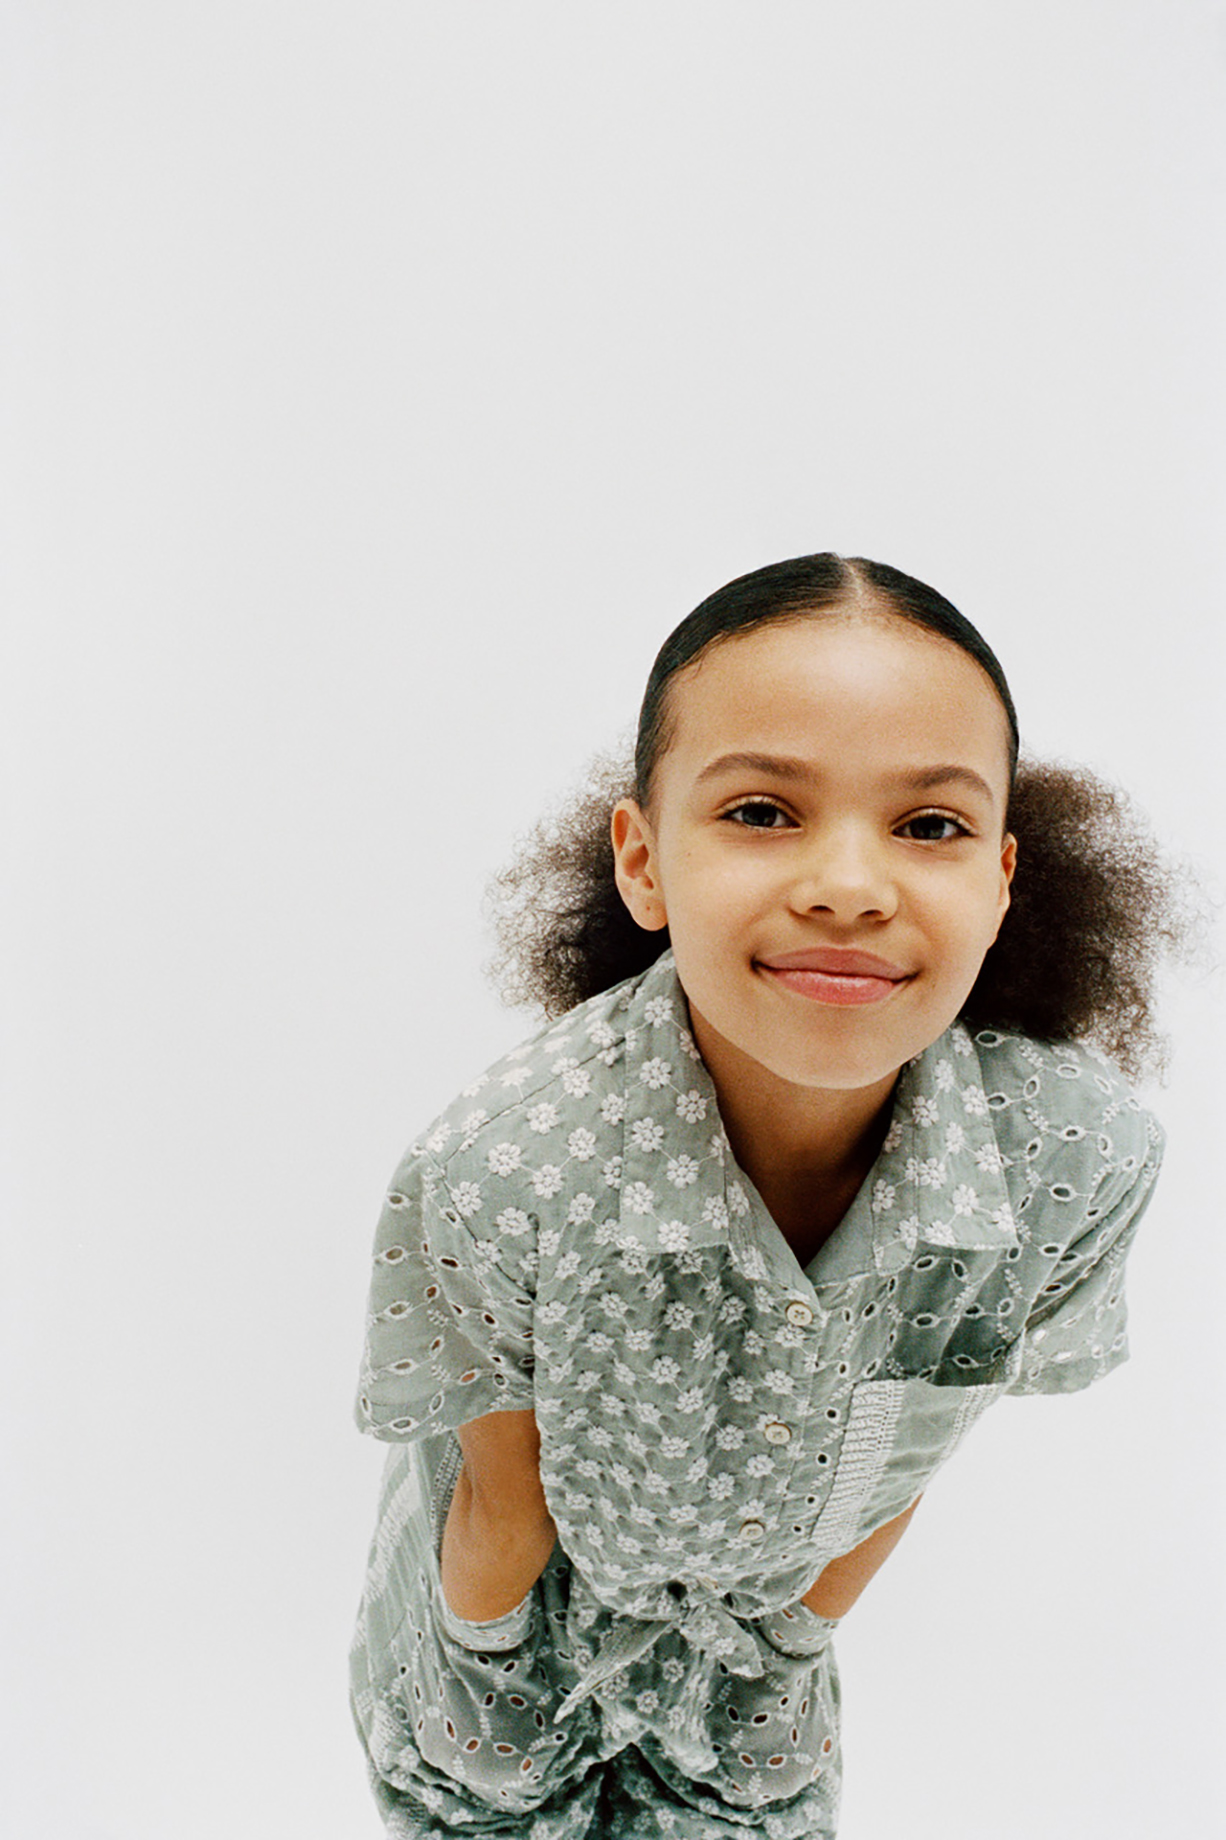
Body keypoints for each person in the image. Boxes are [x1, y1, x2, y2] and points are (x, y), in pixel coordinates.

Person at [349, 552, 1194, 1839]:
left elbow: (907, 1453)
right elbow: (497, 1505)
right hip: (503, 1626)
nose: (848, 885)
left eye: (929, 825)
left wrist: (785, 1652)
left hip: (765, 1639)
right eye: (760, 811)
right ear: (643, 860)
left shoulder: (1071, 1162)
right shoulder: (500, 1170)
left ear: (999, 879)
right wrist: (488, 1706)